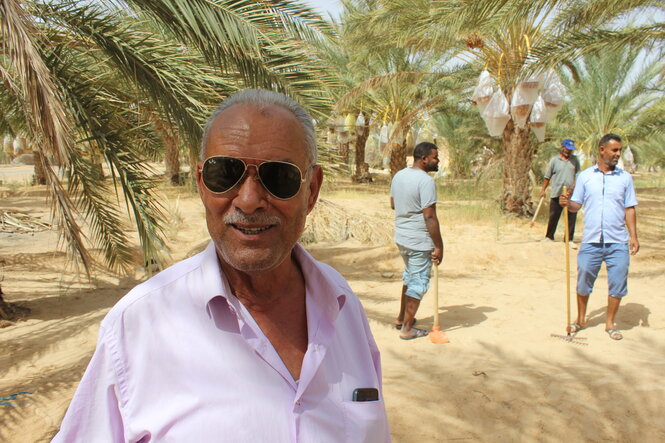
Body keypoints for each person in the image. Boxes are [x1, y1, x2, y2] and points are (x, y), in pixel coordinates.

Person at [53, 89, 390, 442]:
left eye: (279, 177)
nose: (248, 200)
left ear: (312, 190)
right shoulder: (137, 326)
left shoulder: (342, 304)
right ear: (201, 184)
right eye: (224, 173)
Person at [560, 133, 639, 341]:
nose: (618, 154)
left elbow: (629, 208)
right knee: (584, 279)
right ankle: (580, 319)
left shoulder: (625, 178)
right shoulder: (586, 176)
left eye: (619, 150)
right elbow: (576, 205)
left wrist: (634, 236)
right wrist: (567, 204)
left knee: (618, 282)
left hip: (618, 241)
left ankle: (610, 323)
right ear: (602, 150)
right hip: (591, 240)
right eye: (615, 150)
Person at [390, 142, 444, 340]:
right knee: (418, 282)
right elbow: (429, 216)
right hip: (419, 240)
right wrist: (438, 245)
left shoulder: (399, 175)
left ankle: (401, 318)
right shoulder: (426, 181)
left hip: (402, 237)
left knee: (409, 277)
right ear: (424, 159)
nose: (437, 161)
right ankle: (406, 328)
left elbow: (393, 204)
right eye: (435, 157)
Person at [540, 138, 581, 248]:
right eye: (567, 149)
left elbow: (578, 176)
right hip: (557, 193)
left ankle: (569, 239)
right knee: (554, 215)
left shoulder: (575, 160)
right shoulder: (554, 160)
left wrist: (573, 189)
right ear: (562, 147)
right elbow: (547, 176)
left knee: (571, 217)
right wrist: (543, 190)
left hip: (571, 195)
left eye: (571, 150)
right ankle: (549, 236)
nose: (569, 151)